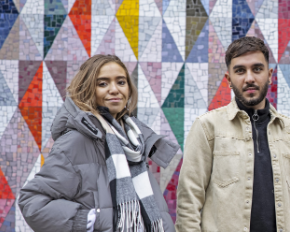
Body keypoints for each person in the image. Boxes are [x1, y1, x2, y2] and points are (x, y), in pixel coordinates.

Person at [19, 54, 179, 232]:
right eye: (103, 83)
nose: (114, 89)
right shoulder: (76, 141)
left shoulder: (133, 140)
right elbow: (32, 202)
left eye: (121, 82)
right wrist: (92, 220)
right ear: (88, 89)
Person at [175, 36, 290, 232]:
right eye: (240, 71)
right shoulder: (207, 127)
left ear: (270, 74)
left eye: (257, 69)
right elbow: (189, 200)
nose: (249, 78)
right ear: (229, 79)